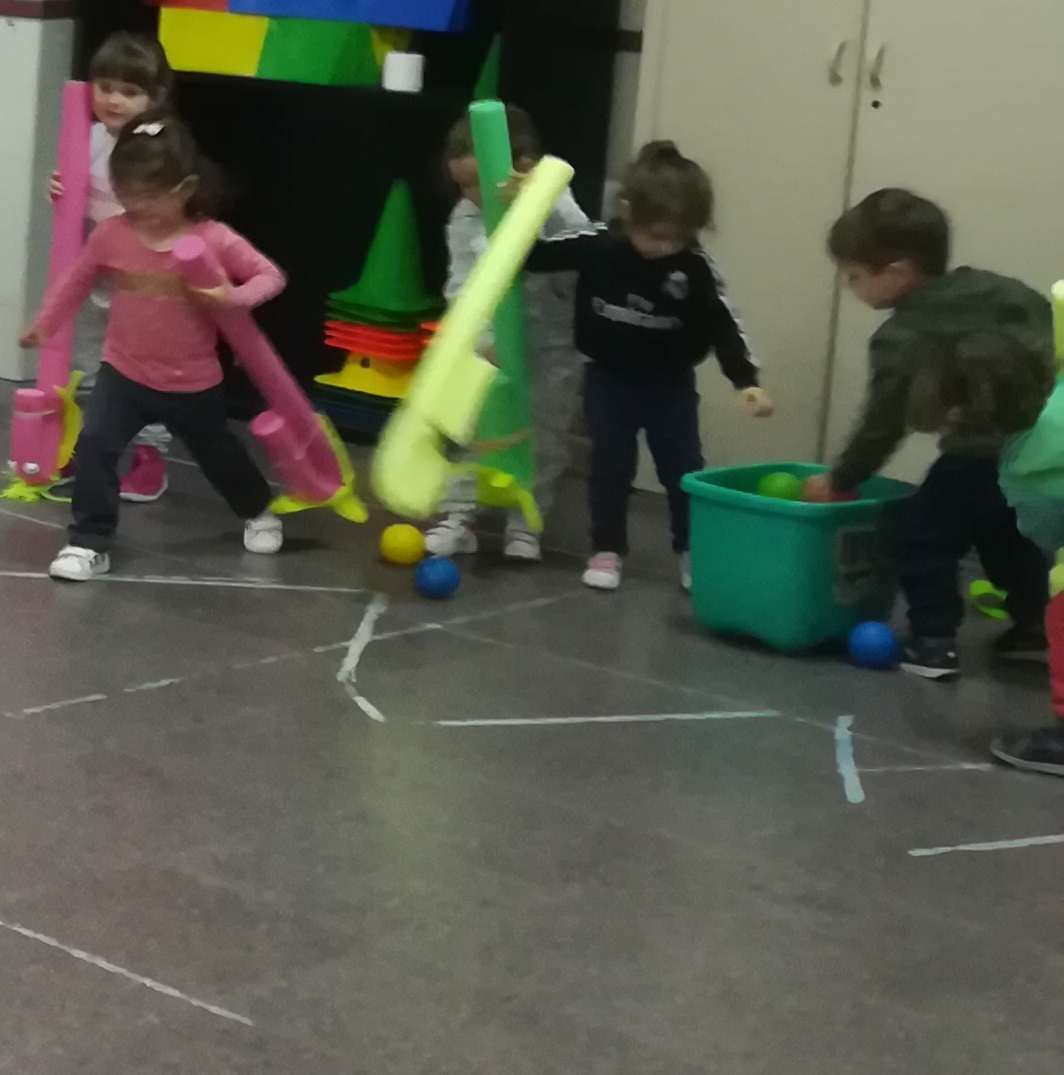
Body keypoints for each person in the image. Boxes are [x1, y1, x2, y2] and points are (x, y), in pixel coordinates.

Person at [20, 114, 285, 580]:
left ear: (185, 189)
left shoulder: (212, 238)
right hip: (123, 373)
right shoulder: (111, 235)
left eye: (149, 195)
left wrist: (232, 297)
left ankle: (258, 509)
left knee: (219, 454)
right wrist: (45, 324)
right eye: (126, 193)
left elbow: (270, 276)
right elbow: (75, 281)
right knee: (95, 445)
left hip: (192, 381)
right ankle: (89, 543)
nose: (136, 205)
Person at [807, 188, 1050, 684]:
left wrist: (842, 478)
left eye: (855, 276)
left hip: (975, 455)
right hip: (1039, 450)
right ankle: (1036, 625)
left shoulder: (901, 335)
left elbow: (883, 424)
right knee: (1007, 534)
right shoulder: (1005, 293)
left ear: (897, 271)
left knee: (919, 535)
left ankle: (933, 643)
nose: (851, 287)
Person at [521, 140, 766, 592]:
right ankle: (607, 548)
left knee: (683, 469)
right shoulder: (598, 244)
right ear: (628, 212)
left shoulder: (694, 268)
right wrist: (523, 203)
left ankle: (690, 549)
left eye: (677, 238)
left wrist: (745, 380)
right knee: (609, 466)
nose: (665, 247)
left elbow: (724, 324)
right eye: (655, 236)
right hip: (608, 379)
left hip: (669, 385)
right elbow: (534, 255)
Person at [431, 101, 594, 565]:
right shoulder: (465, 217)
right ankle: (460, 516)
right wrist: (479, 340)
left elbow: (584, 244)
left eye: (476, 184)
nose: (470, 195)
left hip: (551, 349)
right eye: (461, 185)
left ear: (519, 166)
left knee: (544, 437)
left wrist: (542, 199)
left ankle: (526, 521)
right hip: (490, 351)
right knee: (472, 431)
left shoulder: (554, 198)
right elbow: (461, 285)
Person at [45, 30, 178, 498]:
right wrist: (60, 190)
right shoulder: (87, 138)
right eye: (105, 88)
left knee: (143, 372)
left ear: (155, 97)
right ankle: (82, 448)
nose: (114, 100)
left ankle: (149, 458)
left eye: (129, 91)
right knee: (84, 366)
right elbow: (77, 201)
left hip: (142, 284)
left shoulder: (160, 144)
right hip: (93, 276)